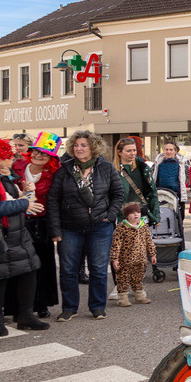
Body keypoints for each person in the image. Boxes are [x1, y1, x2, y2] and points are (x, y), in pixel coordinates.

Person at [47, 130, 123, 320]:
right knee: (68, 269)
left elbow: (118, 194)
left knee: (98, 269)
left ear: (93, 147)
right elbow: (53, 200)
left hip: (100, 227)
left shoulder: (106, 168)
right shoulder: (64, 170)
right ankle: (69, 308)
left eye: (83, 145)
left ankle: (97, 307)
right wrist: (55, 229)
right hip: (69, 227)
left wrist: (110, 215)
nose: (79, 148)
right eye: (76, 145)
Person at [0, 138, 48, 333]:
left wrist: (26, 194)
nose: (12, 158)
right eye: (8, 156)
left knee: (29, 269)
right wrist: (24, 202)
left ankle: (26, 315)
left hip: (17, 231)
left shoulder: (7, 176)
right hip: (1, 232)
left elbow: (13, 200)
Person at [22, 131, 61, 318]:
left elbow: (56, 202)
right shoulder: (18, 168)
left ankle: (42, 304)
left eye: (44, 154)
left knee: (43, 265)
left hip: (42, 223)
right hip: (19, 222)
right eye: (36, 151)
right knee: (21, 265)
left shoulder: (54, 175)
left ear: (50, 158)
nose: (38, 156)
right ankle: (19, 306)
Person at [110, 202, 157, 307]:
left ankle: (139, 296)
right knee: (123, 278)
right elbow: (116, 244)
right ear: (126, 215)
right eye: (132, 213)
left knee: (138, 277)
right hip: (125, 260)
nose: (136, 215)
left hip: (141, 259)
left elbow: (149, 241)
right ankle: (122, 298)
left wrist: (152, 254)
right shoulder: (121, 227)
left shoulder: (143, 226)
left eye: (138, 212)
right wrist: (115, 259)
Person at [114, 137, 160, 225]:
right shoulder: (113, 171)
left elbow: (152, 194)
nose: (132, 153)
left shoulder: (143, 169)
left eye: (134, 150)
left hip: (141, 216)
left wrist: (156, 217)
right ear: (119, 152)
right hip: (121, 218)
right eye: (129, 151)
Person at [152, 140, 188, 221]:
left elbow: (185, 181)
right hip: (160, 195)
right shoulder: (157, 164)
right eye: (166, 149)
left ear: (176, 151)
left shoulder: (182, 165)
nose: (168, 152)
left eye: (171, 150)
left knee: (178, 219)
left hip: (177, 195)